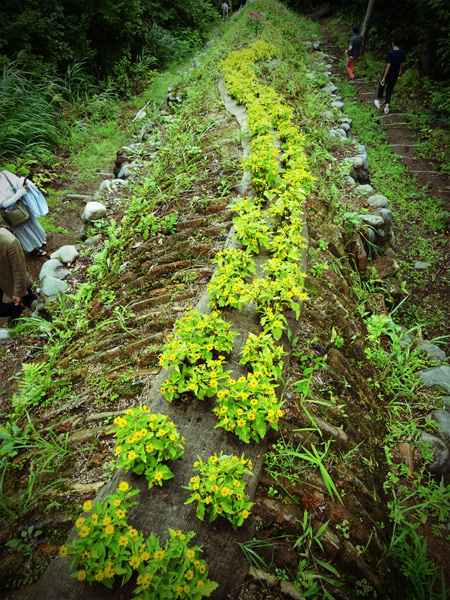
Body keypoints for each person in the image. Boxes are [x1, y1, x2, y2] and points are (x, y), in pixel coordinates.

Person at [0, 170, 48, 256]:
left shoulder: (4, 174)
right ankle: (34, 249)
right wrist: (19, 194)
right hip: (12, 213)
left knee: (32, 223)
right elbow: (3, 204)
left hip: (21, 205)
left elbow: (17, 180)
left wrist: (23, 182)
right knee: (23, 230)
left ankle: (39, 241)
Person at [0, 227, 37, 325]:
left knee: (30, 300)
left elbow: (19, 270)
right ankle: (15, 309)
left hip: (10, 277)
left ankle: (48, 321)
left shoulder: (10, 242)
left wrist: (18, 293)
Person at [374, 36, 406, 114]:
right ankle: (387, 107)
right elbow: (403, 64)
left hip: (388, 73)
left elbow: (388, 65)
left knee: (381, 86)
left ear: (393, 43)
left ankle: (380, 102)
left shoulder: (390, 53)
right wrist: (401, 73)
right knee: (389, 89)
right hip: (395, 74)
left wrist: (384, 77)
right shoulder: (402, 53)